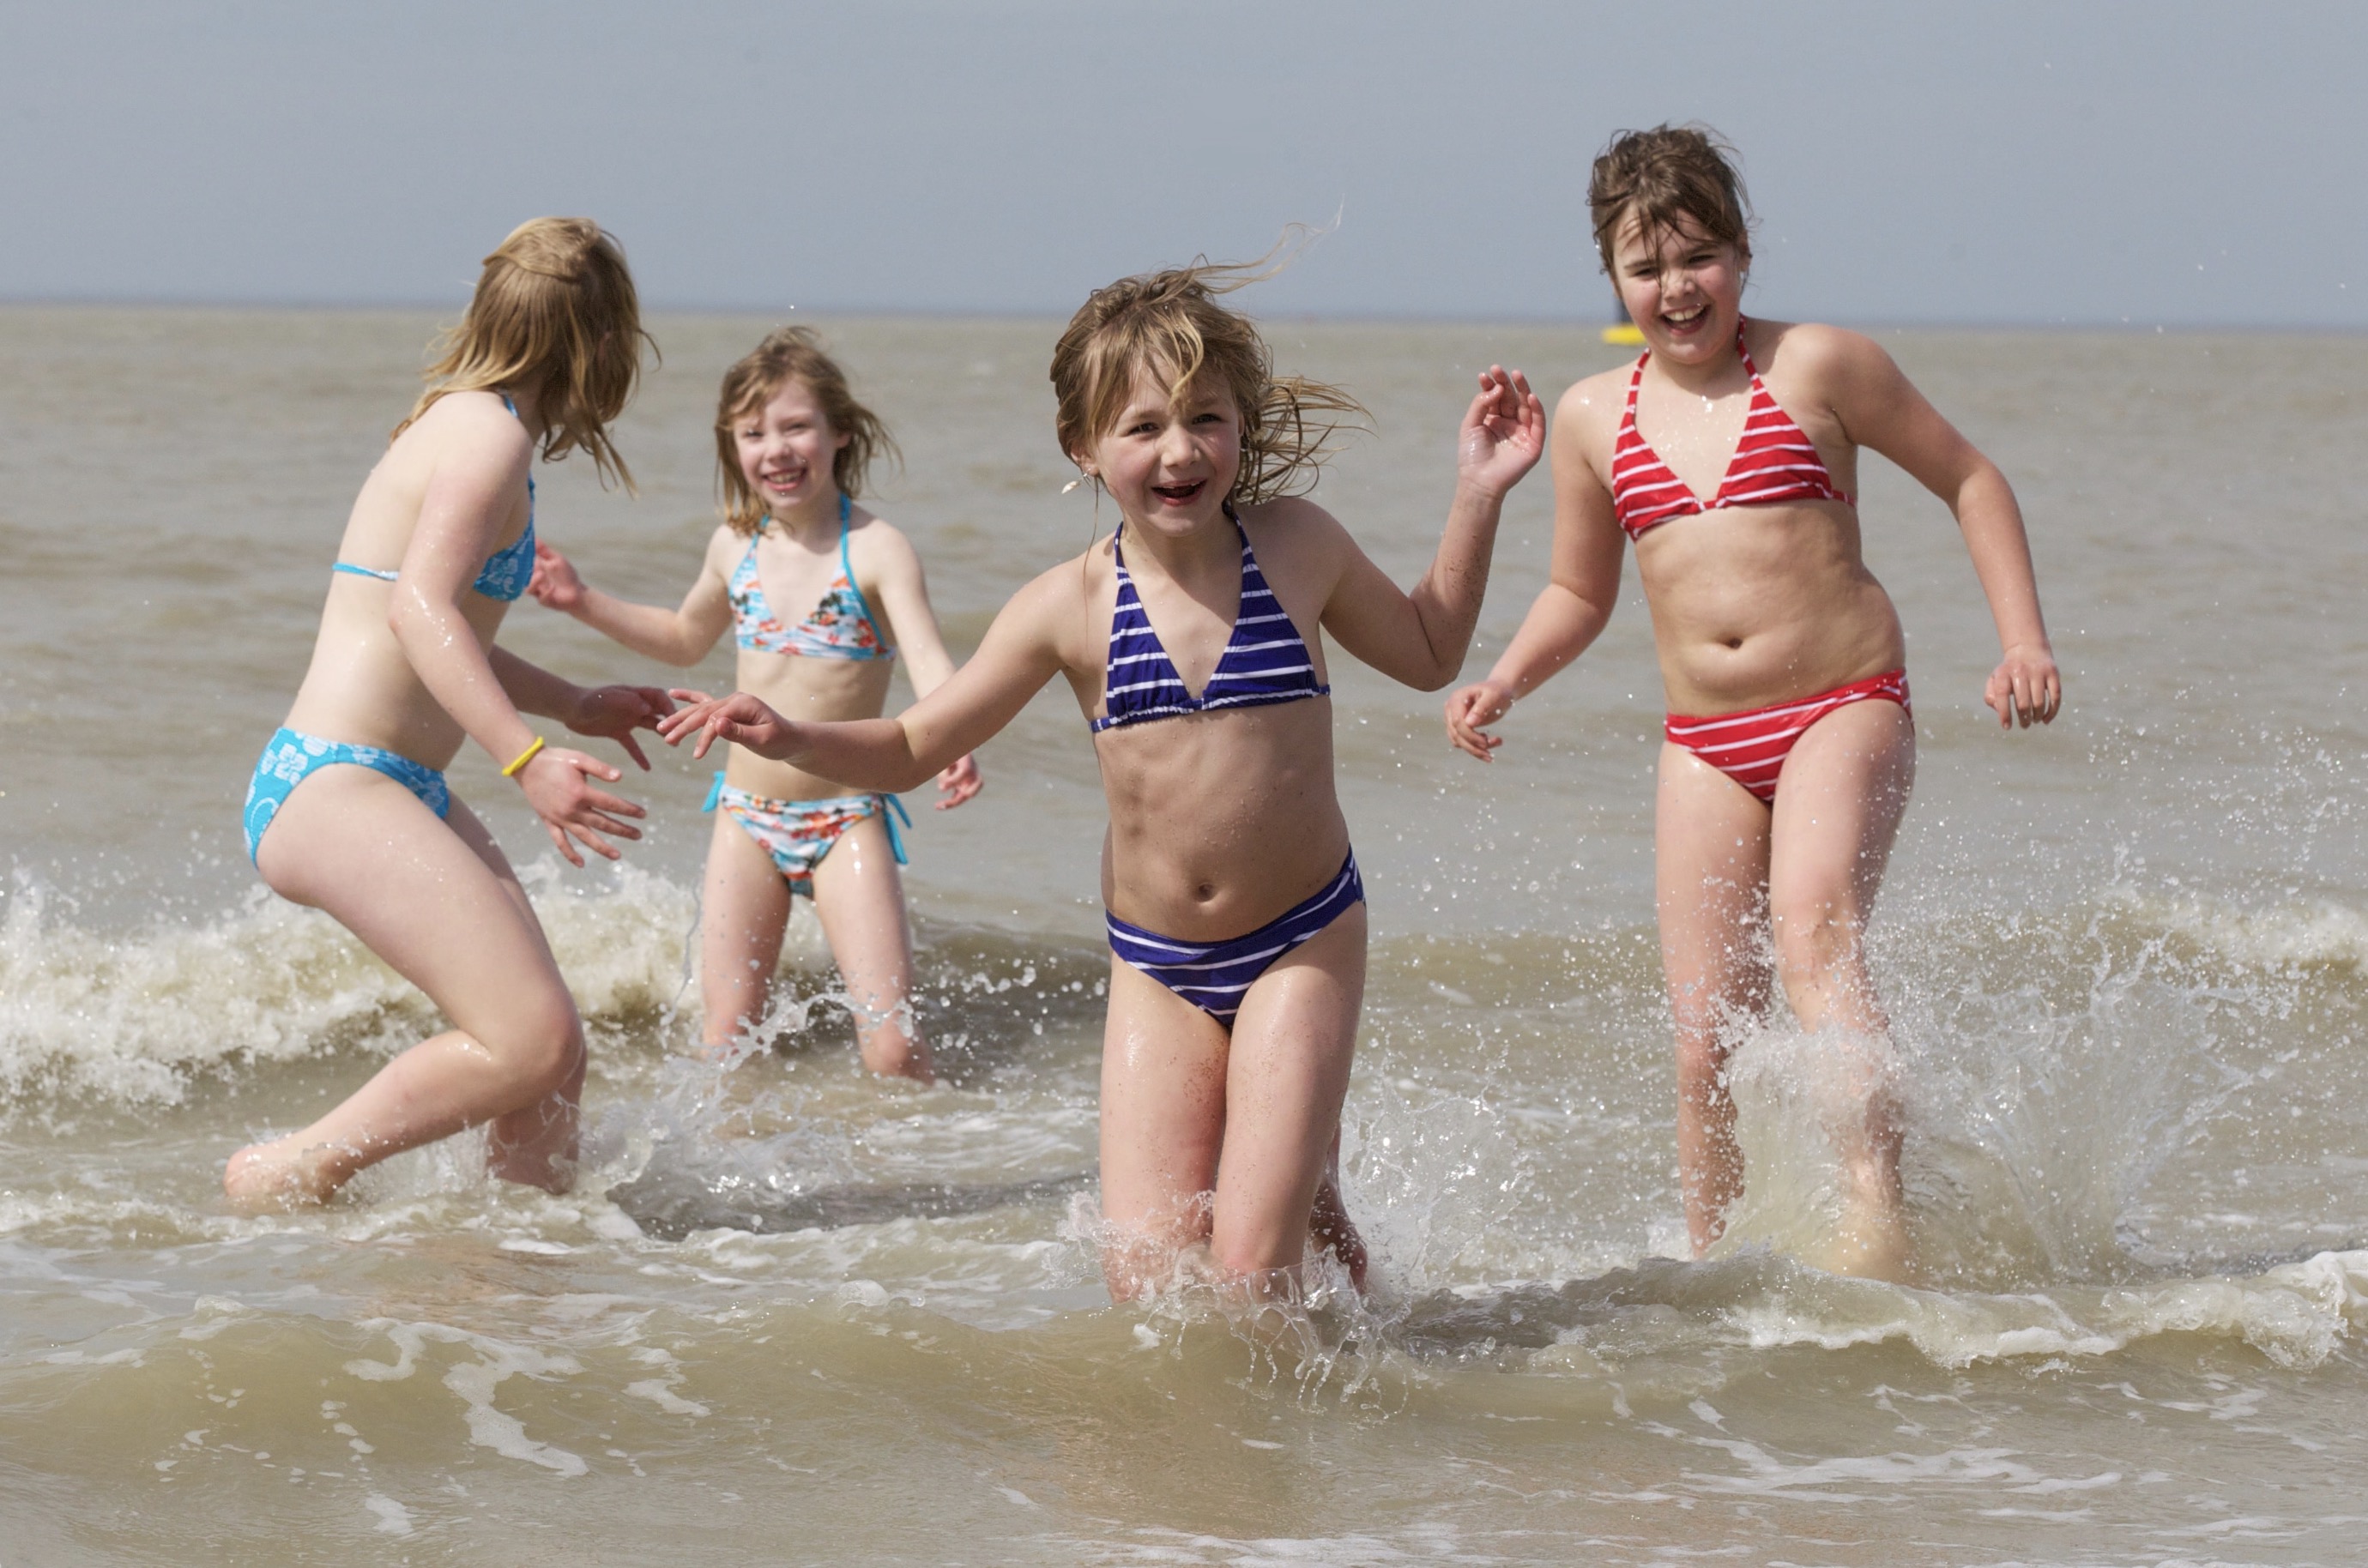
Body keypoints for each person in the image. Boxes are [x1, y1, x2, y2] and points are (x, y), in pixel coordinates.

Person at [656, 261, 1543, 1297]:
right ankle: (1288, 1273)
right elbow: (910, 746)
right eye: (1142, 427)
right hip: (1158, 965)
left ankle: (1322, 1431)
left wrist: (1478, 493)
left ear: (1242, 426)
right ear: (1083, 447)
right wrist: (793, 732)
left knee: (1251, 1267)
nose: (1179, 450)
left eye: (1206, 418)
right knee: (1147, 1280)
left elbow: (1433, 649)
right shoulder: (1065, 607)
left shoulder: (1298, 548)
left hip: (1302, 937)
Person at [1444, 126, 2063, 1280]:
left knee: (1814, 933)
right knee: (1702, 1040)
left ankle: (1881, 1230)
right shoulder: (1592, 417)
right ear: (1613, 281)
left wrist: (2020, 637)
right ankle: (1714, 1270)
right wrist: (1505, 675)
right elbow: (1580, 591)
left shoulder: (1818, 366)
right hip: (1705, 743)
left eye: (1700, 256)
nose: (1676, 288)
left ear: (1741, 252)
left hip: (1844, 703)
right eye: (1647, 267)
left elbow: (1971, 478)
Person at [227, 218, 673, 1212]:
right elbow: (417, 611)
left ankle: (509, 1268)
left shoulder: (469, 422)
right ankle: (284, 1173)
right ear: (601, 342)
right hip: (334, 780)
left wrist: (574, 701)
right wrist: (527, 759)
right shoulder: (490, 438)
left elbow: (440, 627)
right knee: (530, 1036)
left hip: (385, 781)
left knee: (552, 1057)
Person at [527, 328, 982, 1080]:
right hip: (745, 817)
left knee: (892, 1045)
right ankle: (736, 1181)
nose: (776, 448)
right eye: (753, 433)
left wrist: (954, 736)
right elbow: (680, 638)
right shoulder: (732, 547)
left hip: (843, 817)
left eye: (796, 426)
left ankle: (921, 1168)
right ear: (731, 447)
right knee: (725, 1040)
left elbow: (930, 657)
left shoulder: (876, 549)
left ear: (840, 432)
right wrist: (580, 601)